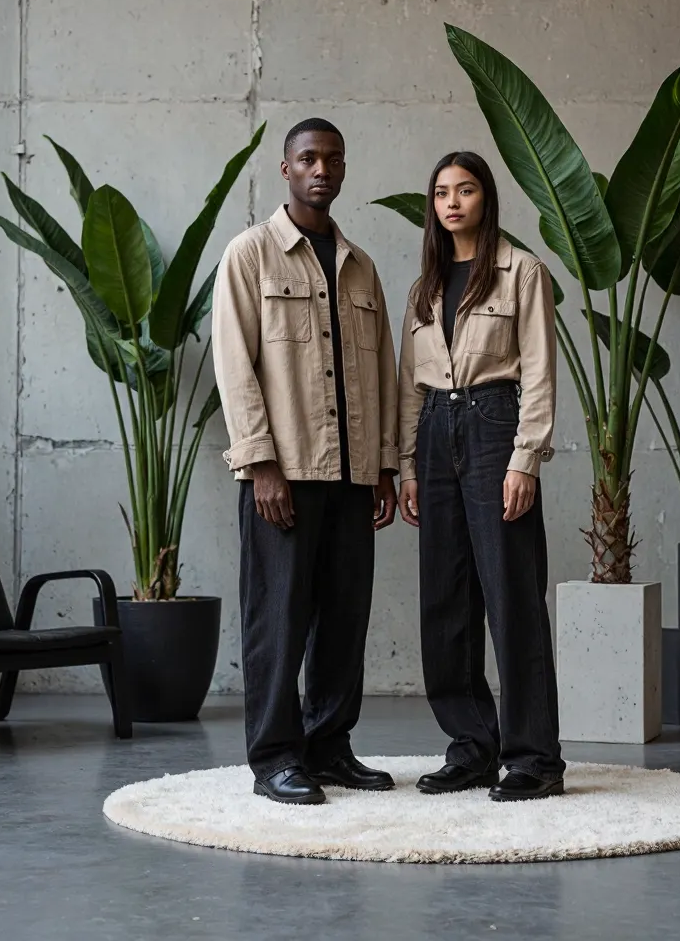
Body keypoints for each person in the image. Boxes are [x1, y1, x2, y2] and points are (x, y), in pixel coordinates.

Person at [212, 118, 399, 805]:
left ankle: (329, 747)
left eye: (333, 159)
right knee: (278, 621)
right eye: (308, 158)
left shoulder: (361, 266)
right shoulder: (250, 256)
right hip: (283, 475)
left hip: (352, 477)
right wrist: (260, 463)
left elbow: (385, 369)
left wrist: (383, 466)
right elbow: (234, 367)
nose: (322, 169)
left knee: (344, 620)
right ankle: (274, 759)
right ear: (285, 168)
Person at [397, 151, 565, 801]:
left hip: (496, 426)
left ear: (485, 199)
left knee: (511, 596)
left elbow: (541, 373)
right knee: (445, 600)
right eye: (442, 192)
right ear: (433, 206)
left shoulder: (522, 272)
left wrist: (526, 459)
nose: (453, 202)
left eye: (465, 190)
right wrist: (409, 466)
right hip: (436, 432)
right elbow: (411, 386)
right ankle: (470, 746)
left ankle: (534, 760)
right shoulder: (425, 286)